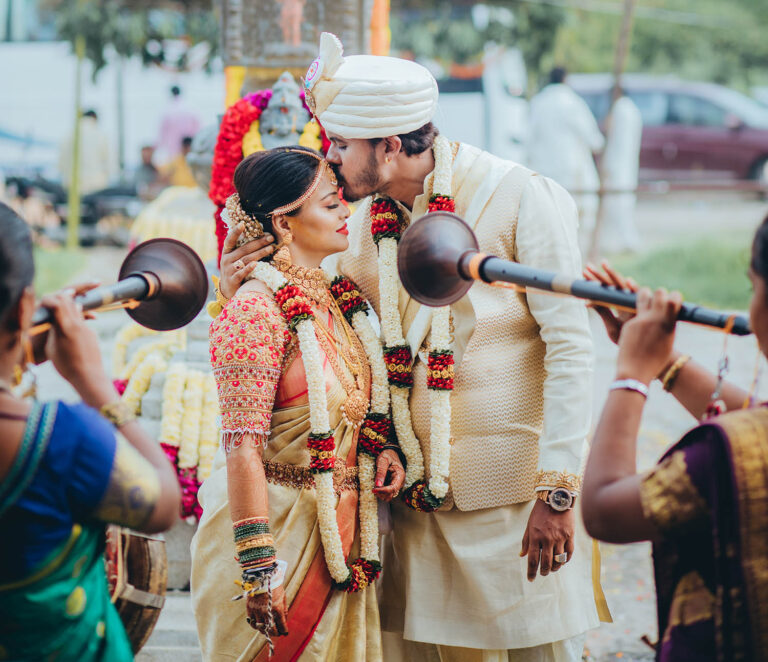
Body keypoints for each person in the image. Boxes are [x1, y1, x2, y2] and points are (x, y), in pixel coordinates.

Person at [218, 33, 600, 662]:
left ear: (390, 146)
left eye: (341, 146)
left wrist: (556, 493)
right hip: (410, 514)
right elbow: (324, 325)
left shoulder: (520, 194)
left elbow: (571, 349)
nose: (330, 161)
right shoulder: (357, 223)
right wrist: (241, 284)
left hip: (513, 506)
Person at [190, 147, 402, 661]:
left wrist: (386, 448)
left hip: (343, 534)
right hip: (274, 543)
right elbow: (241, 450)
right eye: (332, 205)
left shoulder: (336, 297)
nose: (347, 211)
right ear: (285, 223)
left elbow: (356, 403)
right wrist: (260, 569)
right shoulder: (254, 310)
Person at [0, 202, 180, 660]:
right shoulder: (61, 437)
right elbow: (163, 506)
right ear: (25, 306)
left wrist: (17, 357)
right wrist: (95, 386)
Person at [581, 233, 768, 661]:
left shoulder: (726, 457)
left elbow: (605, 510)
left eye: (753, 286)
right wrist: (664, 360)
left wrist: (632, 372)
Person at [528, 67, 605, 239]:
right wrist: (599, 143)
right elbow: (592, 137)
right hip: (571, 169)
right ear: (565, 79)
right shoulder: (572, 102)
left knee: (550, 215)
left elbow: (529, 137)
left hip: (544, 168)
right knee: (573, 216)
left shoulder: (538, 102)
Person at [597, 91, 643, 253]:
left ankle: (626, 241)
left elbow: (614, 142)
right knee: (620, 204)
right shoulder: (631, 109)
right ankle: (621, 241)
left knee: (616, 204)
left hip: (618, 164)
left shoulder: (620, 110)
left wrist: (607, 166)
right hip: (626, 163)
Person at [58, 109, 113, 195]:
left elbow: (61, 165)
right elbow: (111, 164)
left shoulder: (69, 135)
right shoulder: (100, 135)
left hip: (72, 187)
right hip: (96, 187)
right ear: (94, 118)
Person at [156, 86, 200, 164]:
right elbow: (197, 129)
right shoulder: (190, 108)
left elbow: (162, 134)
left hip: (173, 151)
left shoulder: (168, 110)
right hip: (188, 148)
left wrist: (159, 148)